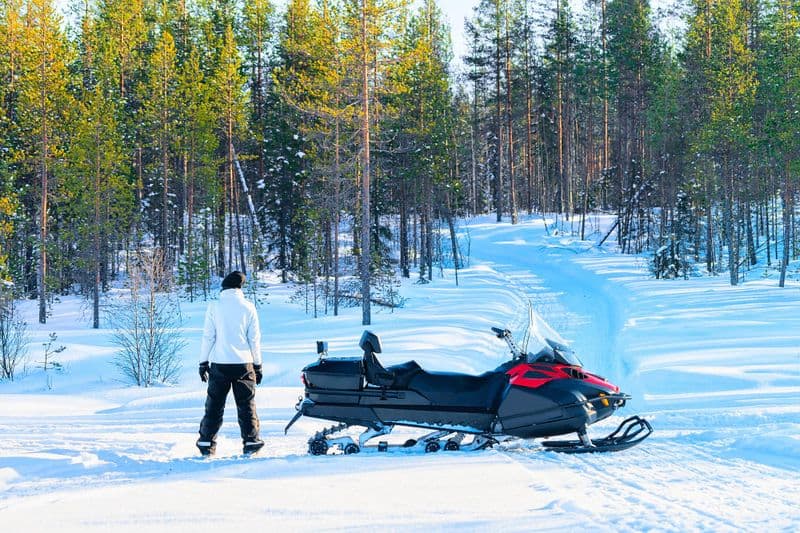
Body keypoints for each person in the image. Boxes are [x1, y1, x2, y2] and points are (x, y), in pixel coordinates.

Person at [196, 271, 264, 456]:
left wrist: (203, 362)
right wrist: (257, 365)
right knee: (246, 405)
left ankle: (206, 442)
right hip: (244, 363)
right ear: (240, 287)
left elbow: (208, 336)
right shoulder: (248, 307)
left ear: (224, 287)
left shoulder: (215, 306)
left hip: (220, 363)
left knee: (214, 405)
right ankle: (251, 442)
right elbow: (254, 339)